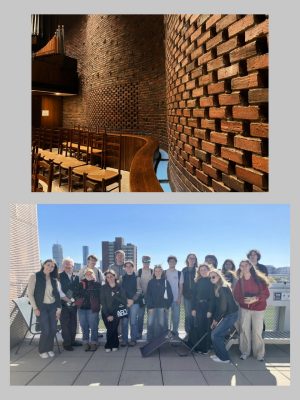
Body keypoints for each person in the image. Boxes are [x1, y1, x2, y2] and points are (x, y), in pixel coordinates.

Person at [233, 259, 270, 361]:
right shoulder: (240, 281)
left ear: (250, 266)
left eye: (246, 265)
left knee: (257, 331)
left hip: (258, 309)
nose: (244, 267)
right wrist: (245, 301)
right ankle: (245, 352)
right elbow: (236, 295)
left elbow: (266, 294)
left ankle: (259, 354)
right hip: (245, 309)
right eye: (241, 266)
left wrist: (255, 299)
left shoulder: (259, 279)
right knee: (244, 330)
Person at [27, 259, 61, 358]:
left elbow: (57, 296)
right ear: (43, 265)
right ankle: (42, 350)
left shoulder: (54, 279)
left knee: (53, 329)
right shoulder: (35, 276)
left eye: (52, 266)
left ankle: (49, 348)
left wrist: (59, 309)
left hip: (52, 307)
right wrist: (35, 308)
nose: (50, 267)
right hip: (41, 307)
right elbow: (30, 294)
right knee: (46, 330)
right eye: (48, 265)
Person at [208, 269, 239, 363]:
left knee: (215, 335)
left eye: (213, 276)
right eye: (210, 277)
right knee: (218, 334)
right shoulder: (218, 287)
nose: (211, 279)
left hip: (230, 315)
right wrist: (215, 319)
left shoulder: (222, 288)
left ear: (219, 277)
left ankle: (224, 358)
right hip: (228, 315)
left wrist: (216, 320)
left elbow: (223, 307)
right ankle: (219, 355)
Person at [74, 268, 102, 351]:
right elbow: (76, 294)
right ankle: (85, 342)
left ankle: (94, 342)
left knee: (94, 326)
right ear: (84, 275)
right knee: (84, 326)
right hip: (82, 308)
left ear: (93, 275)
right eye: (87, 274)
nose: (89, 275)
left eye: (91, 274)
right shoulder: (80, 284)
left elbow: (100, 296)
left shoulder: (97, 284)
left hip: (93, 308)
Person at [190, 263, 215, 354]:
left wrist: (210, 310)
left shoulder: (212, 281)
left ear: (208, 270)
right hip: (198, 307)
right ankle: (199, 347)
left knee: (207, 328)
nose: (203, 271)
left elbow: (213, 297)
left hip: (208, 307)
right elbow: (194, 296)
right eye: (201, 270)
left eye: (205, 269)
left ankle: (206, 348)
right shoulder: (197, 281)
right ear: (199, 272)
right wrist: (193, 308)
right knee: (199, 327)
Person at [101, 269, 127, 352]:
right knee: (109, 328)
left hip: (117, 312)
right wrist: (108, 315)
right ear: (106, 278)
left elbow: (123, 300)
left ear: (114, 277)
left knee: (114, 328)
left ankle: (113, 344)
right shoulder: (103, 288)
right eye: (107, 277)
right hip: (106, 312)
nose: (109, 278)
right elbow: (103, 302)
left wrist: (115, 295)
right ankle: (111, 344)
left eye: (111, 276)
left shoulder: (120, 287)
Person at [59, 258, 81, 351]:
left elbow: (77, 290)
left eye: (70, 265)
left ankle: (72, 341)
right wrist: (68, 300)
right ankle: (66, 343)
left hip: (73, 304)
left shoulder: (76, 277)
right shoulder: (58, 276)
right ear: (63, 266)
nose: (68, 266)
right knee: (65, 324)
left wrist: (76, 301)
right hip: (63, 304)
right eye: (66, 265)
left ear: (73, 266)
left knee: (73, 323)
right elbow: (58, 291)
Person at [146, 265, 173, 342]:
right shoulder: (151, 282)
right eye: (156, 271)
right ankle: (150, 340)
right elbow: (148, 295)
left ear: (162, 272)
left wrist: (167, 306)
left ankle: (161, 340)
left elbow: (170, 295)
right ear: (154, 272)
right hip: (152, 307)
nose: (157, 272)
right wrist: (150, 306)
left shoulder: (165, 282)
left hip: (162, 307)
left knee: (161, 324)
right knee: (150, 323)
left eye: (159, 271)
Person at [120, 260, 142, 346]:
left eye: (130, 266)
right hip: (124, 303)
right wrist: (126, 300)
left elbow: (139, 291)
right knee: (124, 322)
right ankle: (124, 340)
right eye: (127, 266)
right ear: (124, 268)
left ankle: (133, 339)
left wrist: (132, 300)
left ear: (133, 267)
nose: (128, 268)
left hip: (135, 303)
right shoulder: (122, 278)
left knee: (133, 322)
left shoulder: (137, 278)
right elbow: (120, 291)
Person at [179, 253, 198, 339]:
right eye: (190, 258)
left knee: (195, 315)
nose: (192, 260)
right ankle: (188, 333)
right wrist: (181, 295)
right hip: (186, 296)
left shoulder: (198, 270)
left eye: (194, 258)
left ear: (195, 260)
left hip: (196, 297)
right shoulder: (184, 270)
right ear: (187, 259)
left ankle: (195, 333)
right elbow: (181, 284)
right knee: (187, 315)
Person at [136, 255, 153, 339]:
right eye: (145, 261)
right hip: (141, 297)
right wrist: (141, 293)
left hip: (150, 297)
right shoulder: (139, 271)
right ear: (142, 262)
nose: (146, 263)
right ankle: (139, 332)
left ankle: (150, 332)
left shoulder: (152, 271)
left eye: (148, 262)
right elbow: (137, 284)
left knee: (150, 316)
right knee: (140, 316)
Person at [165, 255, 181, 337]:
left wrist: (179, 297)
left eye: (173, 261)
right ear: (168, 262)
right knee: (166, 318)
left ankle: (175, 333)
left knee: (176, 318)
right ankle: (166, 333)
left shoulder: (179, 273)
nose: (172, 263)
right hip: (166, 300)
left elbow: (181, 286)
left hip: (176, 299)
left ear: (176, 263)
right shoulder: (164, 272)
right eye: (170, 261)